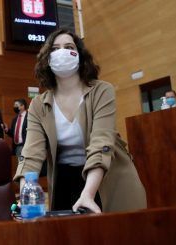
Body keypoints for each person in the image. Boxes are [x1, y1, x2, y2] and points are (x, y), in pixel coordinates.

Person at [13, 29, 147, 213]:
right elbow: (31, 154)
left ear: (80, 56)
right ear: (47, 59)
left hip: (107, 177)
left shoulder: (102, 91)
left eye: (69, 47)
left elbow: (102, 142)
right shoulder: (38, 104)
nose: (62, 52)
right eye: (55, 49)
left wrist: (88, 194)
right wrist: (26, 195)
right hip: (65, 180)